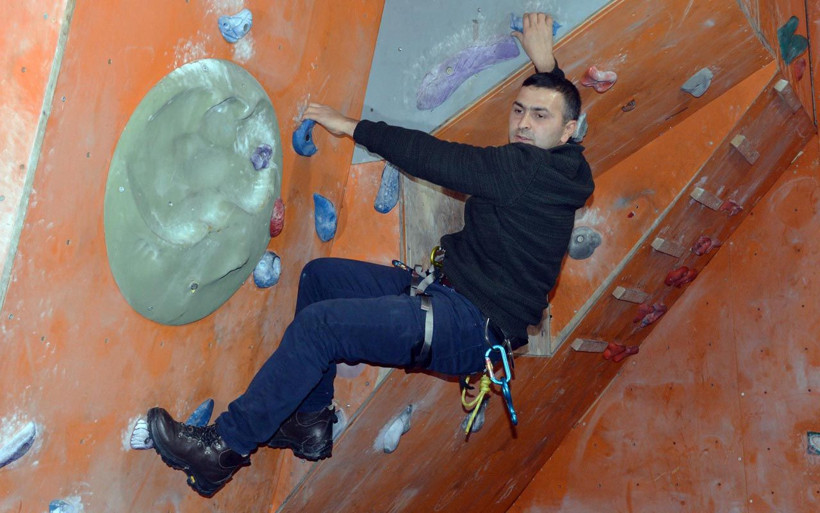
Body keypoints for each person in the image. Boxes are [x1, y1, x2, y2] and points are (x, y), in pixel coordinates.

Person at [145, 12, 594, 497]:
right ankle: (310, 423)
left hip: (469, 324)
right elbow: (566, 114)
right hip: (451, 295)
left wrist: (352, 127)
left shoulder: (526, 169)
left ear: (567, 131)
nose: (523, 124)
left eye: (539, 116)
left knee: (322, 328)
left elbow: (435, 157)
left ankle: (222, 450)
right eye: (519, 110)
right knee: (320, 278)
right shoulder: (568, 167)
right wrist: (549, 68)